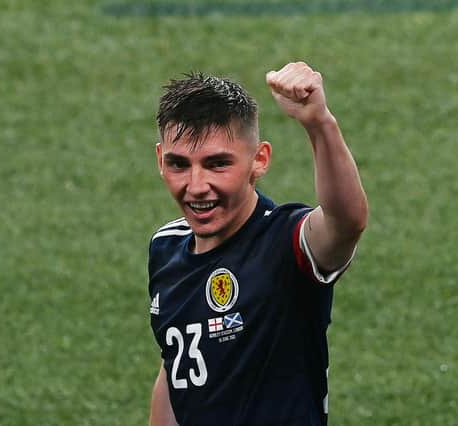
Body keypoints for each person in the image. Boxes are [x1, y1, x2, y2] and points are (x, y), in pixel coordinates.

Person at [147, 61, 368, 426]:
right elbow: (175, 369)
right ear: (160, 160)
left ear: (259, 160)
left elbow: (346, 221)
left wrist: (318, 123)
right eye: (179, 164)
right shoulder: (165, 247)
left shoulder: (285, 243)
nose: (196, 185)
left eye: (218, 164)